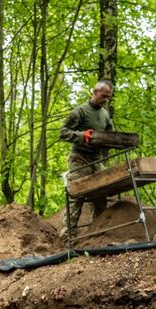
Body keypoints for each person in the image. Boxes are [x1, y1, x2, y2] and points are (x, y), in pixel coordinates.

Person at [59, 80, 115, 234]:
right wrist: (81, 135)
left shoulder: (105, 114)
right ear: (95, 92)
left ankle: (97, 232)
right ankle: (67, 236)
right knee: (77, 194)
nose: (106, 100)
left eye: (108, 97)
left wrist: (114, 143)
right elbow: (63, 132)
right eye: (104, 96)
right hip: (80, 158)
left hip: (97, 160)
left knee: (100, 196)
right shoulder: (80, 111)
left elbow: (110, 135)